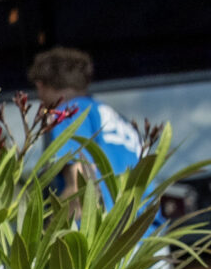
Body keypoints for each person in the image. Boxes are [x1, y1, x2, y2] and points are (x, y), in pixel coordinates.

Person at [32, 45, 145, 188]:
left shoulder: (69, 114)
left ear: (41, 86)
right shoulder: (117, 119)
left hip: (106, 211)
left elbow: (80, 187)